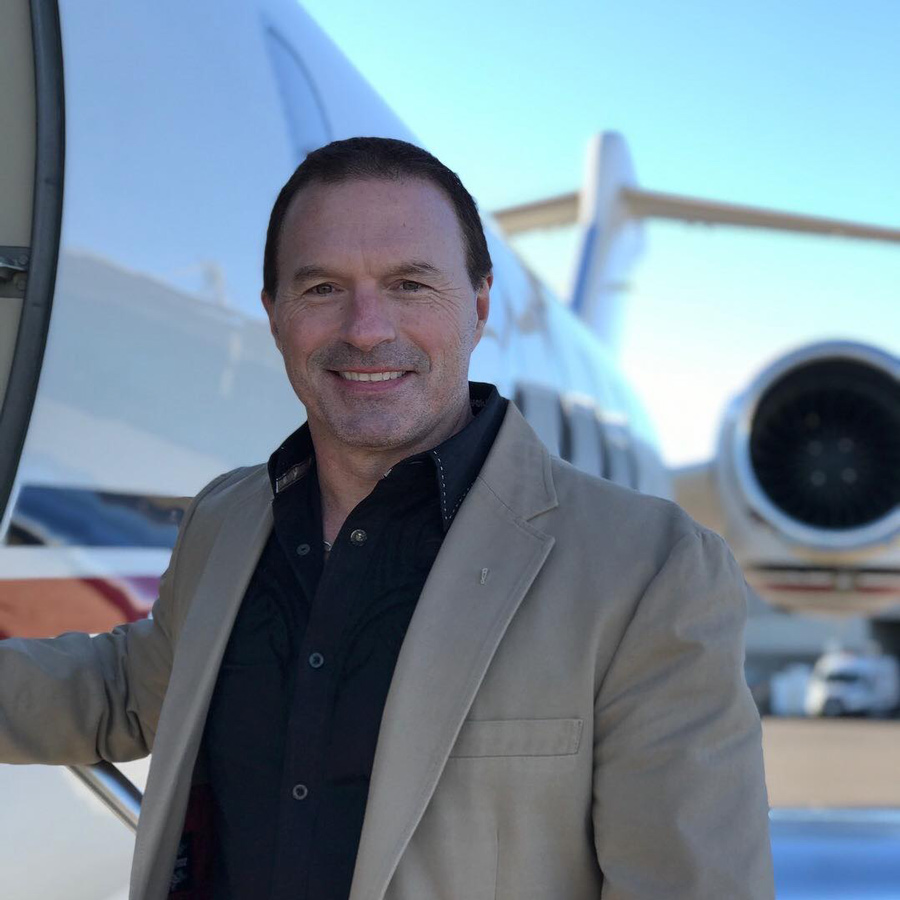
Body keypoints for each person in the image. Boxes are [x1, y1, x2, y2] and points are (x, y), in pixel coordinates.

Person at [0, 137, 774, 900]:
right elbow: (128, 692)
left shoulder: (648, 568)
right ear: (274, 315)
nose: (367, 329)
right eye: (321, 288)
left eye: (409, 285)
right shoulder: (227, 520)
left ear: (478, 306)